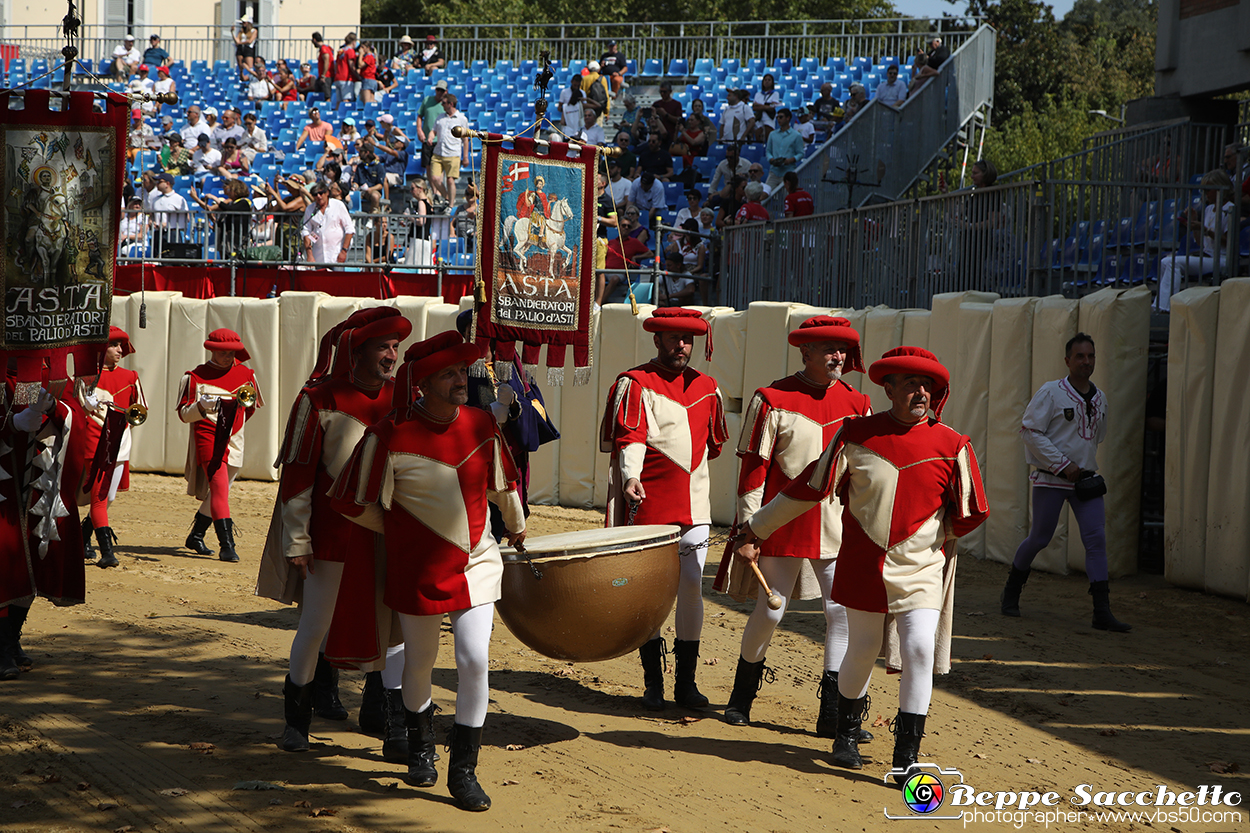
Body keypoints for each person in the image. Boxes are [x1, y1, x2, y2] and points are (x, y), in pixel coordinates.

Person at [739, 346, 989, 783]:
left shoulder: (954, 445)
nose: (919, 392)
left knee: (918, 649)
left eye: (926, 385)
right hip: (862, 563)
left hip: (921, 570)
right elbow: (809, 487)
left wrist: (931, 543)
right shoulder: (855, 435)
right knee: (863, 648)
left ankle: (907, 757)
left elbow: (971, 512)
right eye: (909, 384)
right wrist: (756, 526)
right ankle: (846, 734)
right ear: (887, 388)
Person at [331, 331, 527, 812]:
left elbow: (504, 488)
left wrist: (519, 529)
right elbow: (354, 503)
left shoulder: (482, 424)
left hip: (478, 562)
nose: (462, 380)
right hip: (417, 570)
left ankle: (463, 771)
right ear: (422, 382)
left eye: (463, 371)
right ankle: (421, 747)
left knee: (473, 659)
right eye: (450, 374)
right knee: (418, 662)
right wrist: (401, 535)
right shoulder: (390, 434)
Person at [257, 309, 413, 755]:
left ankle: (395, 724)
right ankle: (297, 719)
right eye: (382, 346)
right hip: (332, 540)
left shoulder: (403, 401)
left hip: (388, 541)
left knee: (397, 631)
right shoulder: (318, 399)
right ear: (356, 350)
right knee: (315, 626)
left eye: (395, 346)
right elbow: (297, 479)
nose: (392, 354)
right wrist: (297, 541)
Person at [716, 317, 872, 733]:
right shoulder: (771, 398)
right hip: (780, 526)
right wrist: (749, 532)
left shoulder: (859, 404)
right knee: (772, 611)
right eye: (828, 349)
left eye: (842, 349)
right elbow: (754, 471)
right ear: (805, 353)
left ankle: (833, 715)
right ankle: (741, 698)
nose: (838, 356)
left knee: (840, 615)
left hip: (839, 527)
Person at [599, 308, 728, 710]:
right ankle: (653, 683)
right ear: (657, 340)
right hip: (651, 504)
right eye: (673, 338)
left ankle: (685, 684)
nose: (681, 346)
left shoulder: (709, 386)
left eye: (688, 339)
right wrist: (631, 476)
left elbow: (714, 446)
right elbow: (630, 437)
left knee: (691, 586)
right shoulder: (635, 382)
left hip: (696, 505)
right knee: (652, 594)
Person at [1001, 333, 1131, 632]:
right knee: (1040, 538)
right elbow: (1029, 431)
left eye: (1091, 356)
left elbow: (1098, 436)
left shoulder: (1100, 399)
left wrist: (1078, 465)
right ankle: (1011, 592)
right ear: (1067, 360)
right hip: (1052, 479)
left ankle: (1102, 611)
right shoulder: (1051, 392)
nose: (1086, 362)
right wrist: (1062, 463)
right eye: (1080, 356)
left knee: (1096, 541)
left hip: (1086, 480)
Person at [1, 365, 88, 681]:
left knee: (30, 563)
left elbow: (72, 412)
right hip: (3, 479)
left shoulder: (39, 372)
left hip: (33, 477)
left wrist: (52, 408)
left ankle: (9, 639)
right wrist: (10, 423)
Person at [455, 310, 560, 540]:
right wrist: (487, 416)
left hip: (510, 457)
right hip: (476, 459)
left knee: (507, 518)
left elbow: (537, 406)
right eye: (471, 335)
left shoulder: (514, 367)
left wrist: (515, 407)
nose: (477, 340)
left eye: (482, 334)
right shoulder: (458, 371)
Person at [176, 330, 264, 563]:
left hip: (234, 439)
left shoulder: (247, 374)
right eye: (223, 353)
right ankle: (227, 545)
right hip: (208, 438)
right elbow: (184, 415)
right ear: (211, 350)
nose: (228, 357)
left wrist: (233, 424)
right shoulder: (194, 377)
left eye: (232, 353)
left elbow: (251, 407)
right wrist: (201, 408)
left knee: (220, 491)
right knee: (220, 489)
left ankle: (196, 535)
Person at [76, 327, 147, 570]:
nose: (120, 350)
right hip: (93, 444)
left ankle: (81, 538)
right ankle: (107, 552)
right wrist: (86, 406)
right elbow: (76, 414)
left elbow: (140, 409)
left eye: (121, 346)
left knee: (109, 498)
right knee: (100, 498)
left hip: (120, 444)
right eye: (114, 345)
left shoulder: (131, 376)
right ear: (101, 348)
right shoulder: (84, 377)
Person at [1156, 169, 1235, 312]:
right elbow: (1200, 242)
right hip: (1207, 256)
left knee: (1172, 263)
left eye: (1208, 189)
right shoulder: (1209, 209)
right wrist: (1194, 223)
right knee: (1165, 261)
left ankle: (1165, 308)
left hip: (1222, 258)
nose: (1205, 193)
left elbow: (1228, 241)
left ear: (1219, 189)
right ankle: (1161, 305)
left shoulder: (1230, 209)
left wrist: (1205, 230)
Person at [301, 182, 355, 267]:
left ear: (327, 193)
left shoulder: (338, 205)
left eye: (321, 193)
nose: (318, 196)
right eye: (315, 194)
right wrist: (309, 255)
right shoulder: (310, 209)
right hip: (318, 256)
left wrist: (344, 251)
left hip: (336, 256)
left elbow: (350, 229)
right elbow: (306, 231)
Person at [431, 93, 470, 208]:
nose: (441, 105)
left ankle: (451, 205)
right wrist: (430, 136)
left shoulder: (462, 119)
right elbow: (434, 130)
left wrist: (465, 157)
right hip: (438, 152)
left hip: (453, 153)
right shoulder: (440, 117)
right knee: (434, 178)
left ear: (450, 104)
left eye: (444, 103)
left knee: (450, 180)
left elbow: (465, 139)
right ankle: (447, 197)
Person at [764, 108, 804, 193]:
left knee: (788, 197)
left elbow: (800, 153)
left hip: (788, 172)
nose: (778, 119)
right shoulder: (772, 134)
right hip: (774, 171)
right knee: (765, 195)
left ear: (788, 118)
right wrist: (771, 159)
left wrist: (790, 160)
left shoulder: (796, 135)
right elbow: (768, 151)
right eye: (777, 117)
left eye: (781, 117)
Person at [416, 80, 448, 173]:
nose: (439, 92)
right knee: (428, 166)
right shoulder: (427, 100)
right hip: (427, 139)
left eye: (442, 90)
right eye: (438, 90)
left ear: (446, 91)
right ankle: (434, 188)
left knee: (439, 167)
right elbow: (419, 116)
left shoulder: (447, 104)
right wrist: (419, 130)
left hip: (441, 140)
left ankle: (438, 187)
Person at [332, 33, 360, 111]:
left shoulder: (341, 51)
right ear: (354, 42)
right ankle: (344, 116)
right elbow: (351, 65)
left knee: (339, 101)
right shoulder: (350, 51)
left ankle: (337, 116)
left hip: (338, 77)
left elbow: (336, 65)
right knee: (346, 100)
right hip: (346, 78)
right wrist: (358, 76)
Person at [753, 74, 782, 142]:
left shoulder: (775, 94)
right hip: (759, 119)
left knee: (769, 138)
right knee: (758, 137)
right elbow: (754, 107)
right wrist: (766, 106)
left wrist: (760, 105)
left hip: (769, 119)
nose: (767, 81)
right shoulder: (758, 94)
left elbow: (772, 107)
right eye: (765, 80)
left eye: (769, 80)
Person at [232, 14, 258, 80]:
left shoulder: (253, 31)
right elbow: (237, 40)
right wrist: (232, 32)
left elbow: (250, 41)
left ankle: (250, 79)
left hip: (248, 49)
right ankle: (242, 77)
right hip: (241, 49)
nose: (243, 23)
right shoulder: (241, 31)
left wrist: (240, 43)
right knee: (241, 66)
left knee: (249, 67)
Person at [312, 32, 334, 102]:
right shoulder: (325, 48)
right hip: (322, 76)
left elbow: (326, 60)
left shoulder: (324, 49)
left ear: (314, 40)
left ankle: (327, 109)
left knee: (326, 96)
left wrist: (323, 75)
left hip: (326, 76)